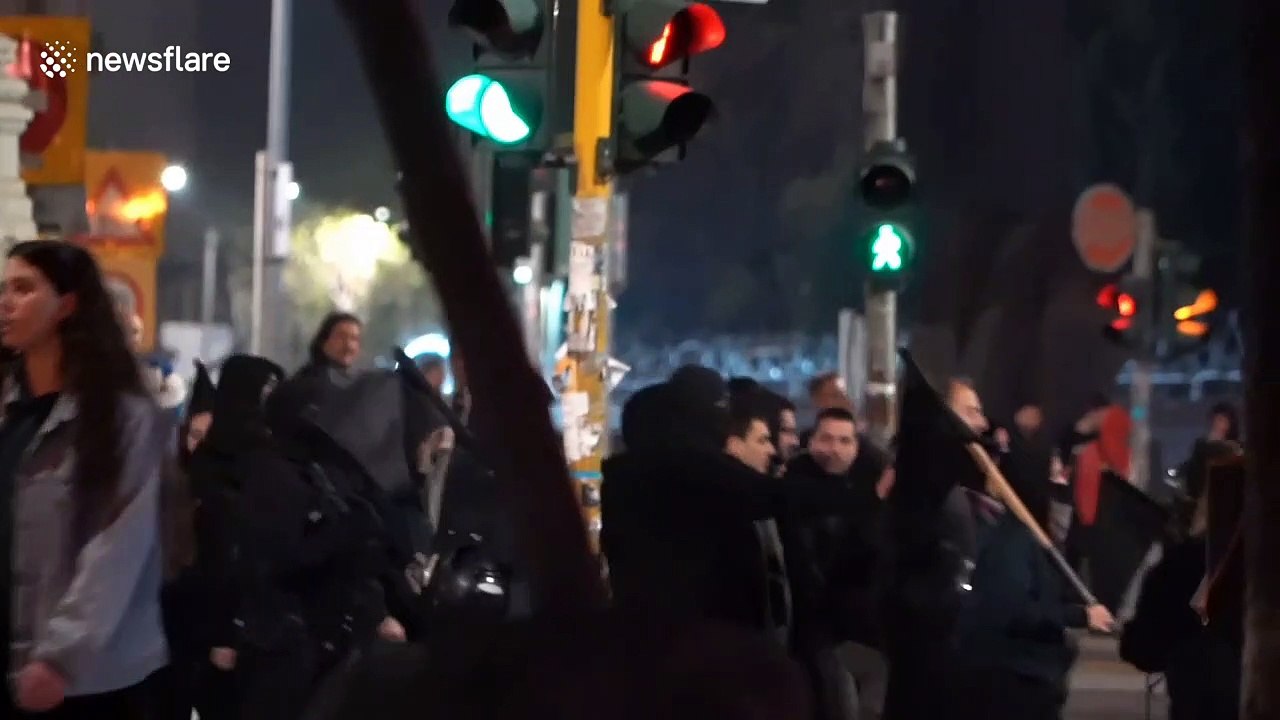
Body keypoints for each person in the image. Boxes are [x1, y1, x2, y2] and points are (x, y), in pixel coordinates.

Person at [1, 240, 167, 717]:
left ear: (67, 305)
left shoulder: (122, 419)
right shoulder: (10, 410)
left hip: (84, 683)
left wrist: (60, 658)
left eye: (24, 289)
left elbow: (119, 546)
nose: (5, 302)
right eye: (3, 289)